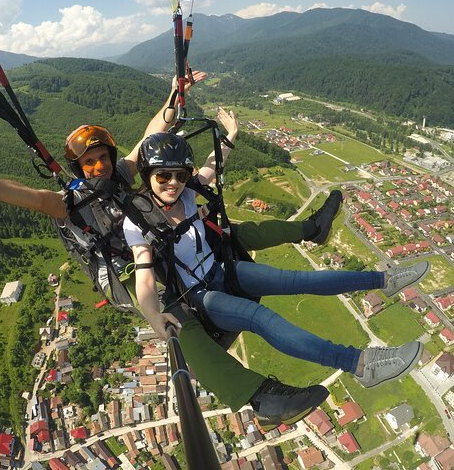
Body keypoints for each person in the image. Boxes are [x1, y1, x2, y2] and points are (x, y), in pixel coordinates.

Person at [0, 76, 331, 427]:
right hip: (125, 273)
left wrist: (174, 94)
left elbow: (151, 135)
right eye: (90, 163)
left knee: (228, 236)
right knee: (175, 320)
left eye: (102, 158)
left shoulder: (121, 174)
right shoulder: (68, 203)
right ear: (79, 169)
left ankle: (311, 229)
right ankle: (260, 398)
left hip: (156, 248)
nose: (98, 166)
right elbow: (21, 195)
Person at [124, 121, 430, 390]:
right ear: (149, 176)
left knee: (297, 279)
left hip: (221, 270)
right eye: (163, 176)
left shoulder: (187, 193)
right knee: (260, 318)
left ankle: (384, 279)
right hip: (200, 295)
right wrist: (154, 317)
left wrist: (231, 133)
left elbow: (213, 164)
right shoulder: (139, 220)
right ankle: (361, 364)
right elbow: (145, 279)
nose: (173, 183)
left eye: (180, 174)